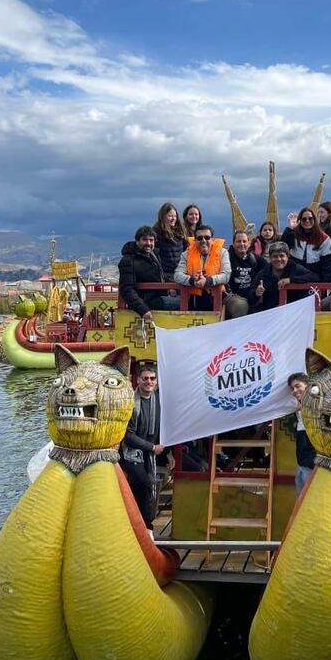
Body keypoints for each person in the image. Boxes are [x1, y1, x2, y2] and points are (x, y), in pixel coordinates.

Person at [120, 362, 173, 532]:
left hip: (153, 450)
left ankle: (145, 520)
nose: (149, 382)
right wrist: (151, 448)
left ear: (156, 382)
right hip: (133, 452)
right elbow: (128, 436)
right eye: (145, 379)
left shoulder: (158, 401)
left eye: (152, 379)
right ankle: (142, 523)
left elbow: (164, 427)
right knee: (144, 482)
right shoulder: (131, 404)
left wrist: (169, 453)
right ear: (138, 381)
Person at [119, 226, 180, 321]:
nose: (148, 243)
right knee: (185, 302)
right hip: (147, 301)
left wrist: (171, 285)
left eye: (151, 240)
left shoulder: (153, 255)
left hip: (159, 296)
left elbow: (159, 276)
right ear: (137, 241)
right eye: (144, 240)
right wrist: (143, 309)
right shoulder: (128, 261)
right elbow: (127, 289)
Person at [173, 224, 231, 311]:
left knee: (239, 305)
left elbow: (226, 275)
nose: (203, 240)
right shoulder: (186, 254)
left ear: (212, 240)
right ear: (195, 240)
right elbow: (177, 275)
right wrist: (192, 280)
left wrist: (208, 281)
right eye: (199, 238)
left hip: (219, 295)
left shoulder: (222, 252)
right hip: (194, 297)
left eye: (207, 237)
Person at [248, 241, 317, 311]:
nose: (278, 259)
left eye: (281, 256)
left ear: (287, 257)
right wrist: (256, 293)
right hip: (271, 312)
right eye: (275, 256)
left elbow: (314, 277)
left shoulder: (295, 268)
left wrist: (290, 280)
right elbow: (251, 297)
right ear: (270, 258)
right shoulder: (263, 273)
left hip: (293, 311)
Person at [281, 207, 331, 281]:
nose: (307, 221)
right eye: (304, 219)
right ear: (299, 220)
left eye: (310, 218)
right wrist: (290, 229)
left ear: (315, 220)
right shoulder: (293, 234)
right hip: (294, 277)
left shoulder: (324, 238)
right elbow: (281, 248)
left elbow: (327, 265)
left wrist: (324, 286)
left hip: (314, 279)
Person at [224, 230, 266, 318]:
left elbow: (271, 268)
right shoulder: (227, 257)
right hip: (231, 297)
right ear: (233, 243)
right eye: (238, 241)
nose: (242, 244)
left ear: (249, 243)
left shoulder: (255, 259)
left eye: (244, 241)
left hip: (252, 295)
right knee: (241, 306)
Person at [288, 373, 316, 494]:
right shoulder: (299, 407)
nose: (295, 390)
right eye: (292, 388)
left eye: (297, 386)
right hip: (302, 463)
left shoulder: (317, 405)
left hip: (312, 465)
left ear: (308, 386)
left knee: (309, 500)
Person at [152, 203, 188, 280]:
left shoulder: (181, 232)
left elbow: (186, 251)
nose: (173, 218)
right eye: (170, 216)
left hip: (180, 272)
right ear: (163, 217)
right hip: (164, 274)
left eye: (175, 216)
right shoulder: (156, 233)